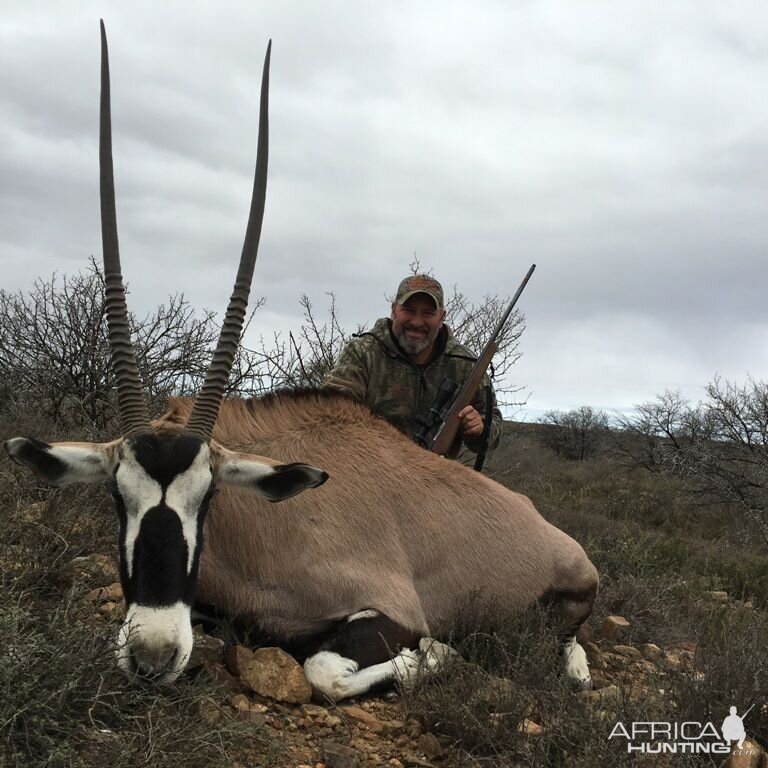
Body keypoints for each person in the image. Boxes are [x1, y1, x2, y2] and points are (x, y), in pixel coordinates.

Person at [323, 274, 503, 460]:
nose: (417, 322)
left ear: (442, 317)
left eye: (428, 313)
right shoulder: (363, 352)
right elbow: (329, 410)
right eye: (408, 310)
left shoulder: (466, 364)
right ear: (394, 310)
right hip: (368, 470)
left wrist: (479, 429)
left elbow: (493, 424)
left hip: (437, 477)